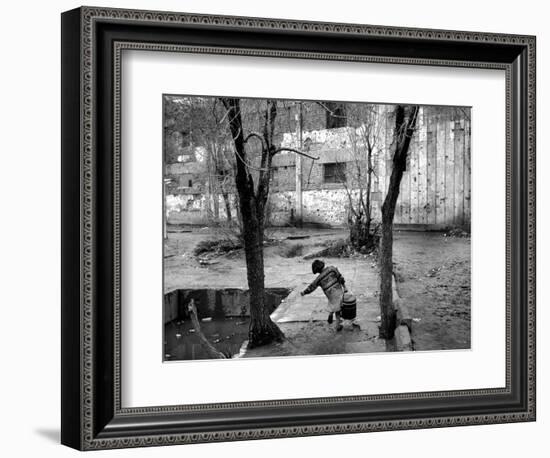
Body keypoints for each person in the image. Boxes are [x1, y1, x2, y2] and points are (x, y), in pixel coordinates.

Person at [301, 259, 349, 331]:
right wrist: (345, 287)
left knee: (333, 303)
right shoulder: (332, 269)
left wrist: (304, 292)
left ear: (316, 271)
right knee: (338, 310)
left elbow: (311, 287)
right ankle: (338, 326)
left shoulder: (318, 279)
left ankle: (331, 313)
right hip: (338, 291)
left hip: (330, 295)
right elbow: (340, 278)